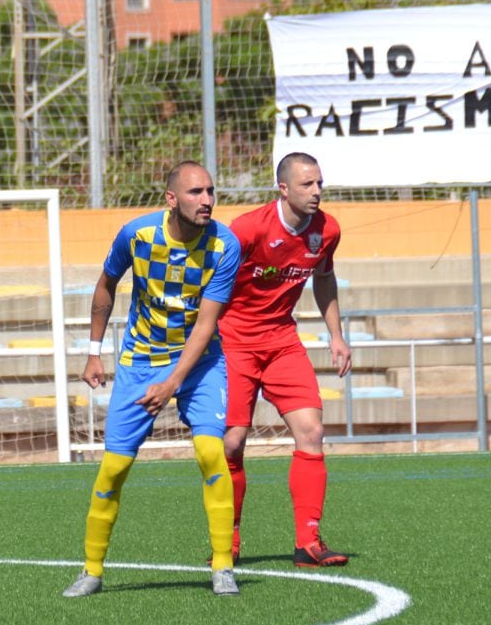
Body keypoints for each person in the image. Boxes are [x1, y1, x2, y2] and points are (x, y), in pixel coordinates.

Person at [63, 160, 242, 598]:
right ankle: (91, 570)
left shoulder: (225, 244)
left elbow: (206, 324)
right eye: (196, 192)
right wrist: (93, 352)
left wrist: (173, 383)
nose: (207, 200)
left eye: (210, 191)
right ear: (171, 199)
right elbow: (105, 285)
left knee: (210, 452)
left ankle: (222, 566)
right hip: (140, 361)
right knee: (114, 467)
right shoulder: (136, 235)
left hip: (199, 363)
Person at [217, 151, 352, 568]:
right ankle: (228, 539)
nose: (317, 192)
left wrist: (336, 335)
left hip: (281, 340)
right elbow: (209, 282)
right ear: (284, 188)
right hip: (233, 339)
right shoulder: (247, 229)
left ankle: (308, 542)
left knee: (311, 430)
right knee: (232, 443)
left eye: (320, 183)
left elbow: (324, 278)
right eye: (307, 184)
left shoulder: (327, 230)